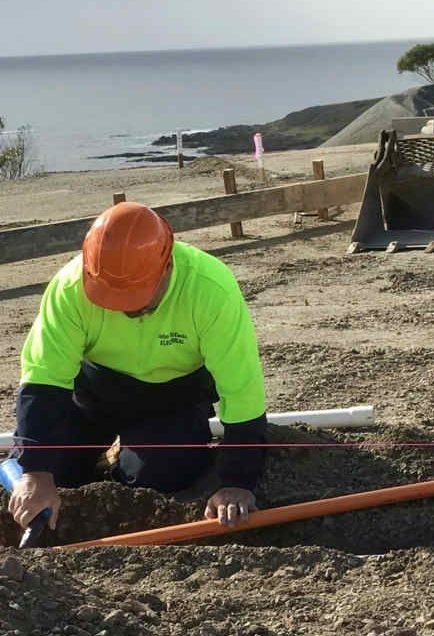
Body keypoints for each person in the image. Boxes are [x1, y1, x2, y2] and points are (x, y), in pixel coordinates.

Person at [9, 201, 267, 536]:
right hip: (95, 393)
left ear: (167, 264)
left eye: (134, 295)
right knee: (55, 473)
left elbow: (241, 389)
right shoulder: (69, 288)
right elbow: (43, 379)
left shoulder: (210, 289)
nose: (123, 307)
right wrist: (35, 473)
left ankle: (132, 455)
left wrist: (238, 481)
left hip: (174, 398)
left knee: (157, 479)